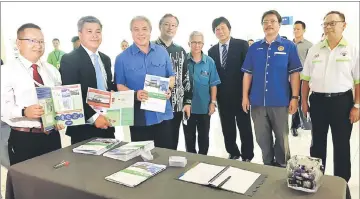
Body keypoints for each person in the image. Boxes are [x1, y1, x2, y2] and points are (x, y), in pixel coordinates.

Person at [301, 10, 359, 186]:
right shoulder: (314, 50)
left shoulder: (352, 50)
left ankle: (341, 182)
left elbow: (358, 81)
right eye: (325, 24)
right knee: (317, 142)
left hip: (342, 102)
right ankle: (316, 179)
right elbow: (305, 79)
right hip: (318, 101)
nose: (328, 27)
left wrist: (357, 105)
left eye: (332, 23)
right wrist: (304, 101)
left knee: (341, 143)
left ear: (344, 25)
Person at [242, 10, 302, 167]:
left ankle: (283, 166)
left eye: (272, 21)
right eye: (265, 22)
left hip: (280, 101)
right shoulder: (254, 48)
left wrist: (295, 98)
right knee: (262, 138)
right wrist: (244, 96)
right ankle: (268, 164)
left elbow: (295, 74)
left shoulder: (289, 46)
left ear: (279, 24)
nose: (268, 24)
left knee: (282, 138)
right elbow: (247, 74)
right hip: (257, 102)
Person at [1, 23, 63, 165]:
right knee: (28, 184)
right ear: (18, 43)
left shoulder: (52, 71)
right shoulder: (6, 71)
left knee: (55, 181)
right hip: (24, 139)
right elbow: (3, 108)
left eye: (41, 41)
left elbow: (58, 100)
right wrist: (24, 111)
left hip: (52, 137)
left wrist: (59, 117)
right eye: (32, 41)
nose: (38, 45)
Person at [115, 16, 175, 149]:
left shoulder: (162, 52)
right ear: (131, 32)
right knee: (141, 160)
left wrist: (169, 89)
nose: (140, 33)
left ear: (150, 31)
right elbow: (119, 86)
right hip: (139, 118)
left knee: (166, 154)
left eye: (144, 29)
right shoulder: (121, 58)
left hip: (163, 115)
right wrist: (135, 94)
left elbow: (171, 76)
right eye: (136, 29)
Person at [60, 16, 116, 144]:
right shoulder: (70, 59)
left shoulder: (105, 59)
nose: (94, 35)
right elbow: (71, 95)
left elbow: (107, 86)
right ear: (80, 34)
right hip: (84, 128)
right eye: (89, 31)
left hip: (107, 123)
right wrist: (95, 117)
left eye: (98, 31)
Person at [208, 17, 254, 161]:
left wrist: (247, 94)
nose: (220, 31)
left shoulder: (241, 45)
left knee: (244, 126)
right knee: (227, 127)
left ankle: (247, 155)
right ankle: (233, 152)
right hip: (223, 97)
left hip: (241, 96)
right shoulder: (212, 51)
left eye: (223, 28)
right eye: (217, 29)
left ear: (229, 28)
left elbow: (249, 71)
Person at [154, 13, 192, 150]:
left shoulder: (180, 50)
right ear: (160, 26)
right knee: (157, 145)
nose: (170, 28)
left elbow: (186, 78)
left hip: (176, 105)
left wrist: (187, 101)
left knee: (172, 143)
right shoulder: (151, 48)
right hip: (155, 104)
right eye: (166, 24)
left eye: (173, 25)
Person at [184, 31, 220, 155]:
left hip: (204, 107)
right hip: (187, 108)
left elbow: (213, 84)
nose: (196, 45)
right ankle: (191, 159)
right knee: (189, 137)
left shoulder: (209, 62)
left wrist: (213, 103)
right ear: (189, 43)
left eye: (199, 42)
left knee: (204, 137)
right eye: (194, 42)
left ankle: (203, 160)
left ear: (203, 44)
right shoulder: (184, 61)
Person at [290, 20, 313, 136]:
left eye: (298, 29)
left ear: (304, 30)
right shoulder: (288, 44)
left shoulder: (309, 45)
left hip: (303, 78)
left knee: (301, 101)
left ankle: (302, 123)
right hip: (290, 78)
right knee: (293, 100)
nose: (295, 31)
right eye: (294, 29)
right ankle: (294, 125)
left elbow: (311, 64)